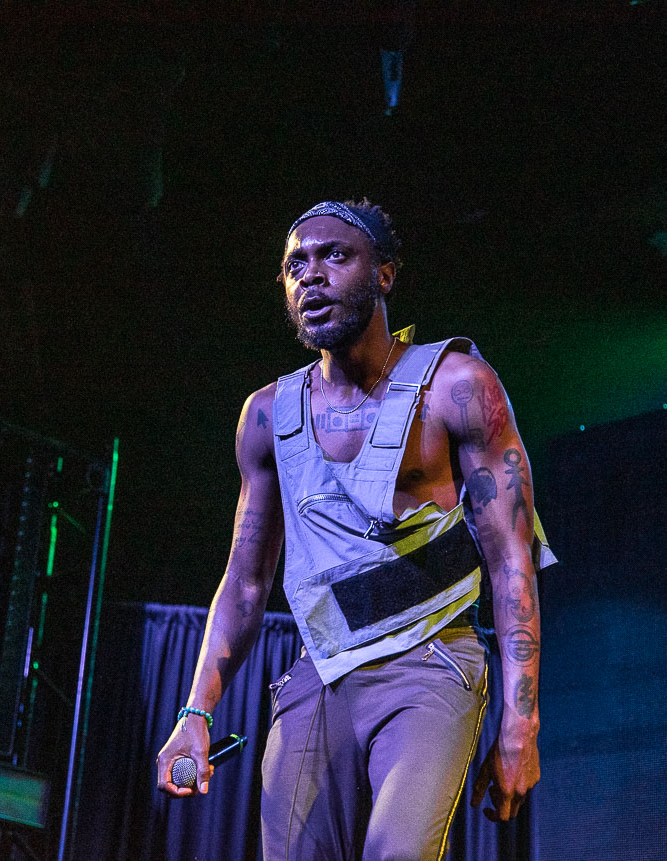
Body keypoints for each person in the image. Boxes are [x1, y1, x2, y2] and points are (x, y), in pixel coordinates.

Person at [155, 199, 556, 860]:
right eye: (294, 265)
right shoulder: (266, 415)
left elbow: (512, 556)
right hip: (322, 671)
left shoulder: (457, 387)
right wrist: (195, 714)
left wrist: (521, 722)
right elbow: (246, 583)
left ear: (385, 274)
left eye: (334, 256)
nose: (311, 275)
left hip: (432, 661)